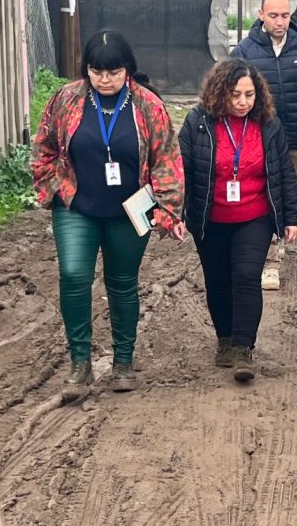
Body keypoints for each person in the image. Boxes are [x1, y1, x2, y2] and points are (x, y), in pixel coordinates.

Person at [31, 30, 185, 396]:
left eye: (113, 72)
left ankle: (123, 363)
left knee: (122, 283)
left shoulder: (148, 106)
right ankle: (80, 363)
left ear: (127, 70)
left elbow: (167, 161)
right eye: (96, 72)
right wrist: (51, 185)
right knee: (73, 276)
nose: (104, 79)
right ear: (87, 70)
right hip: (76, 208)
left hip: (130, 212)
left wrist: (168, 210)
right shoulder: (67, 100)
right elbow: (44, 146)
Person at [179, 59, 297, 381]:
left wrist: (292, 216)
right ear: (220, 93)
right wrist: (175, 213)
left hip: (254, 215)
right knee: (218, 280)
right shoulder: (198, 123)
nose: (243, 102)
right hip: (211, 217)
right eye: (235, 95)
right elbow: (183, 172)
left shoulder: (268, 124)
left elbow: (284, 173)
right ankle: (224, 339)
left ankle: (243, 347)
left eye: (249, 95)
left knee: (247, 276)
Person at [231, 0, 297, 290]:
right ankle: (269, 261)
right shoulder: (243, 52)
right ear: (260, 15)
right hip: (259, 142)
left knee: (286, 197)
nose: (280, 21)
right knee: (266, 197)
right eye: (273, 16)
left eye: (284, 15)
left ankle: (290, 237)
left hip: (296, 142)